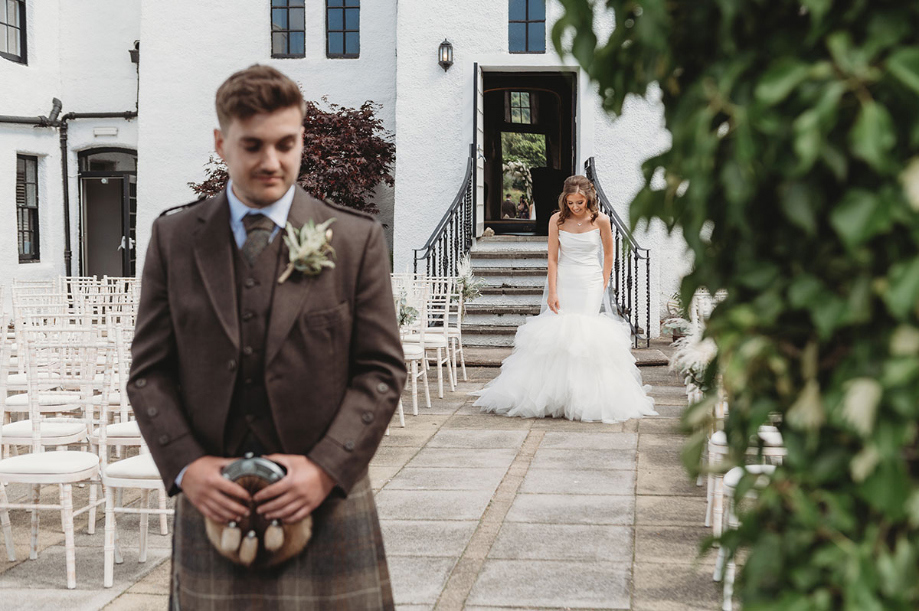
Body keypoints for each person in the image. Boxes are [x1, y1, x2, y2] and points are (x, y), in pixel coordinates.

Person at [128, 64, 406, 610]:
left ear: (302, 138)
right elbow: (149, 374)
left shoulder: (354, 239)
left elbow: (380, 370)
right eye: (252, 145)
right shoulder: (174, 239)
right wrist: (188, 466)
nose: (272, 162)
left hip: (324, 503)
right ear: (221, 143)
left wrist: (326, 468)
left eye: (286, 144)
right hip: (214, 503)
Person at [473, 175, 656, 423]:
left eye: (579, 202)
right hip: (565, 279)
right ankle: (557, 396)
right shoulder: (556, 220)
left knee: (585, 333)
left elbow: (609, 254)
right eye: (571, 202)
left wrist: (602, 282)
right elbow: (552, 258)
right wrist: (553, 291)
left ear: (589, 199)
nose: (575, 207)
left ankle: (586, 397)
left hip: (591, 281)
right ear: (565, 200)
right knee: (560, 332)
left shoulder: (601, 220)